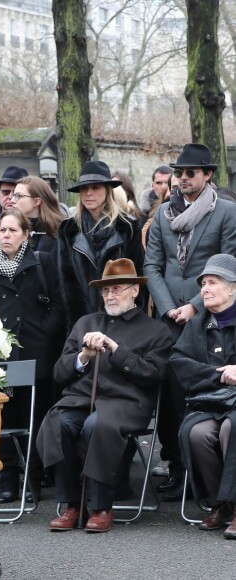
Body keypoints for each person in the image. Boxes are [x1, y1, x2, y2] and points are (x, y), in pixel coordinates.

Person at [38, 259, 173, 533]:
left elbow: (153, 373)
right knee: (58, 423)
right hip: (80, 400)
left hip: (126, 403)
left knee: (96, 425)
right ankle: (72, 504)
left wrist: (115, 349)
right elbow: (59, 372)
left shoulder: (156, 330)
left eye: (118, 289)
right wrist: (83, 357)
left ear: (135, 290)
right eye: (106, 291)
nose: (110, 296)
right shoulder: (85, 323)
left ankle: (101, 506)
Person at [144, 143, 236, 501]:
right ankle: (177, 468)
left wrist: (196, 306)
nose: (183, 179)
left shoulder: (226, 211)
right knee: (170, 393)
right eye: (179, 173)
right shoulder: (164, 214)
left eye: (191, 173)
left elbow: (228, 263)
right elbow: (151, 265)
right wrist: (169, 308)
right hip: (169, 316)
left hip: (209, 311)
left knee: (205, 387)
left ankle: (210, 476)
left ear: (207, 175)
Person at [0, 208, 65, 504]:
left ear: (26, 234)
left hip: (35, 351)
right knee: (5, 418)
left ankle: (33, 479)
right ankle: (9, 479)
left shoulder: (43, 262)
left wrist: (45, 334)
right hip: (0, 353)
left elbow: (58, 303)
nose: (7, 235)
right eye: (2, 230)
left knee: (35, 419)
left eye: (13, 230)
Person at [171, 254, 236, 538]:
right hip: (210, 402)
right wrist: (219, 374)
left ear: (233, 287)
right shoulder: (196, 325)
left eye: (213, 282)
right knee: (196, 433)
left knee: (230, 428)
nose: (205, 289)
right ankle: (220, 503)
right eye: (203, 284)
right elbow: (178, 362)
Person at [57, 160, 144, 330]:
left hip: (122, 320)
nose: (89, 193)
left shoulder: (127, 227)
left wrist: (131, 320)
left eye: (95, 187)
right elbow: (66, 283)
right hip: (82, 320)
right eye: (84, 188)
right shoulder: (69, 229)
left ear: (107, 190)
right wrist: (80, 325)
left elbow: (137, 277)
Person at [9, 176, 64, 253]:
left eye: (18, 196)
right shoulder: (9, 228)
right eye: (14, 195)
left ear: (36, 202)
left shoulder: (61, 232)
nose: (12, 200)